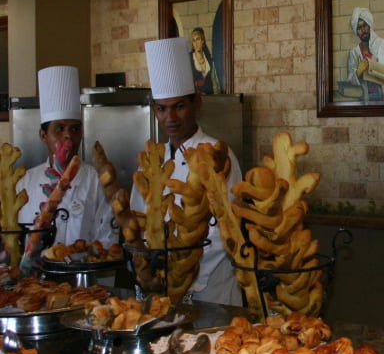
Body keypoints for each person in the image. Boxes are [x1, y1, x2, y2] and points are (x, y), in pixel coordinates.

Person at [131, 37, 244, 305]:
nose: (170, 118)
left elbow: (225, 229)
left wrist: (180, 274)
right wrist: (151, 269)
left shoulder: (218, 154)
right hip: (159, 289)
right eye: (162, 109)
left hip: (211, 292)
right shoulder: (151, 161)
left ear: (197, 103)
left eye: (179, 106)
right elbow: (139, 221)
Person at [16, 65, 114, 248]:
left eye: (75, 129)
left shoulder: (96, 181)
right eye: (59, 128)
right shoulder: (25, 183)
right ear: (43, 136)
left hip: (82, 266)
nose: (68, 135)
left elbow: (108, 238)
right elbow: (18, 240)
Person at [345, 7, 384, 101]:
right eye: (359, 28)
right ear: (356, 32)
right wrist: (358, 72)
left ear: (369, 25)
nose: (363, 30)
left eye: (365, 25)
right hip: (365, 102)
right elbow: (349, 81)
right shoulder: (354, 53)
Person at [190, 27, 221, 95]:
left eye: (198, 39)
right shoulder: (189, 59)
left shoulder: (209, 59)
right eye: (194, 40)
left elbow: (215, 81)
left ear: (203, 41)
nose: (196, 43)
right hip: (195, 98)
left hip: (210, 97)